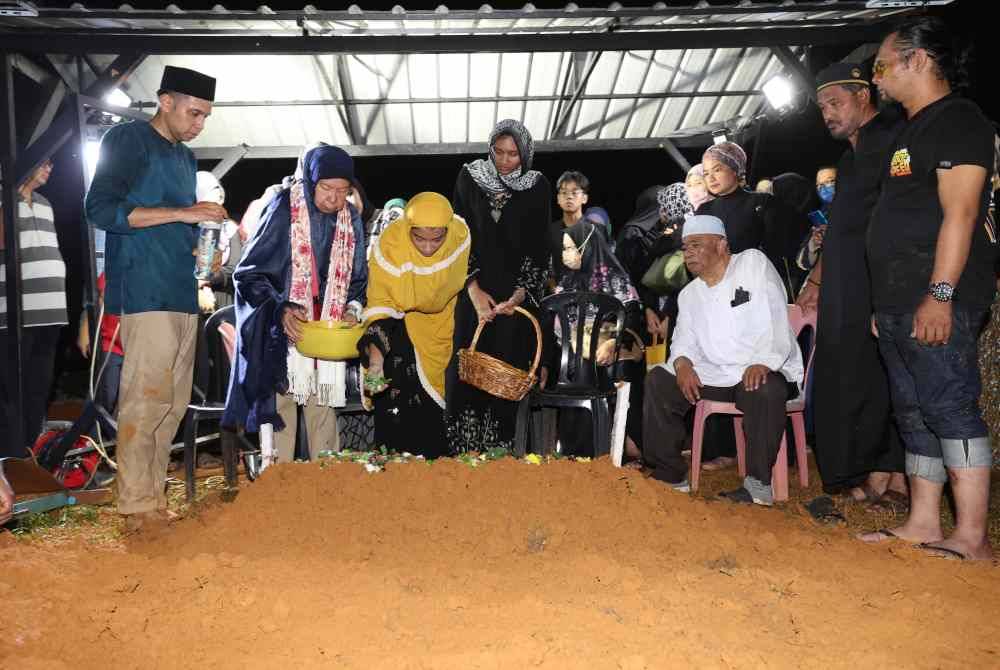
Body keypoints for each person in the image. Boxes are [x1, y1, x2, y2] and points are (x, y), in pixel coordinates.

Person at [860, 17, 997, 561]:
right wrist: (884, 304)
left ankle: (971, 535)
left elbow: (961, 213)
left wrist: (940, 293)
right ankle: (922, 522)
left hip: (938, 296)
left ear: (918, 60)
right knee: (913, 411)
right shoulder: (909, 129)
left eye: (881, 65)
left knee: (949, 407)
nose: (876, 78)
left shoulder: (959, 120)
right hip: (898, 299)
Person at [84, 65, 222, 532]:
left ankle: (153, 499)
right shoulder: (125, 141)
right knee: (146, 398)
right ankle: (134, 505)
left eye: (205, 116)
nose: (199, 123)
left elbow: (174, 224)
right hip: (143, 289)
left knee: (174, 402)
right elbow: (99, 208)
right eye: (194, 112)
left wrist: (202, 255)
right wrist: (185, 212)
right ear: (165, 101)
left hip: (181, 289)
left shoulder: (185, 158)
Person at [796, 62, 907, 504]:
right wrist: (817, 281)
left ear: (864, 97)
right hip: (843, 284)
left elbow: (897, 218)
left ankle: (889, 471)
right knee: (845, 372)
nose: (827, 114)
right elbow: (842, 226)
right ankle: (857, 470)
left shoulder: (893, 142)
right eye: (822, 107)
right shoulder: (848, 156)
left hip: (879, 280)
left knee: (881, 374)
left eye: (835, 103)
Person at [642, 215, 804, 504]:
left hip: (764, 368)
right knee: (659, 380)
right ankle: (669, 473)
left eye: (695, 244)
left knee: (763, 388)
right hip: (715, 374)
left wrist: (764, 361)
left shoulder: (752, 264)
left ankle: (757, 486)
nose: (687, 252)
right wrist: (682, 364)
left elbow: (776, 315)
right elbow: (683, 341)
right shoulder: (690, 294)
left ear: (721, 245)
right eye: (684, 247)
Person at [224, 144, 368, 463]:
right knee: (282, 408)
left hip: (327, 335)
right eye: (326, 188)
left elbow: (358, 279)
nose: (334, 198)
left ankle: (324, 487)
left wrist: (352, 309)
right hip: (283, 333)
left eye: (343, 190)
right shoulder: (283, 208)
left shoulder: (351, 218)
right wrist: (280, 308)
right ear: (309, 181)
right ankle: (279, 487)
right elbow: (248, 274)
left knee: (324, 408)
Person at [447, 119, 551, 453]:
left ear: (526, 155)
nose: (505, 160)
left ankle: (501, 459)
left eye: (513, 154)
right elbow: (458, 237)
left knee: (505, 374)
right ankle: (464, 456)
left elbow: (539, 245)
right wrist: (473, 289)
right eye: (499, 152)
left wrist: (521, 293)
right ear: (490, 148)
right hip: (474, 292)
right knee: (468, 370)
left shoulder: (538, 186)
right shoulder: (469, 177)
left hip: (514, 298)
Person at [359, 192, 470, 457]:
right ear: (408, 229)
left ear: (447, 231)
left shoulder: (460, 236)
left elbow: (467, 276)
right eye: (419, 238)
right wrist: (375, 365)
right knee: (399, 411)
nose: (429, 247)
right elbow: (380, 308)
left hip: (446, 326)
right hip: (400, 329)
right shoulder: (389, 246)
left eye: (436, 238)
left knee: (442, 424)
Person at [550, 218, 642, 459]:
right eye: (564, 248)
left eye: (571, 248)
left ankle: (620, 448)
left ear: (587, 245)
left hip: (610, 351)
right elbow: (557, 327)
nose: (566, 254)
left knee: (615, 367)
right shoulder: (566, 281)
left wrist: (614, 342)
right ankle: (576, 451)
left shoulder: (614, 277)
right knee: (571, 366)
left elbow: (632, 315)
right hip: (576, 354)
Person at [0, 159, 66, 458]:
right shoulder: (4, 199)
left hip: (52, 310)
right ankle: (11, 454)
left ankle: (30, 451)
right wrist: (14, 193)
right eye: (43, 161)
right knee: (13, 386)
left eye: (52, 163)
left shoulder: (45, 203)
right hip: (16, 312)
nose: (50, 167)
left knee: (40, 384)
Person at [696, 141, 810, 298]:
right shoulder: (704, 210)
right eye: (706, 173)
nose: (711, 178)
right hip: (716, 292)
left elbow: (777, 250)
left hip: (758, 289)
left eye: (717, 169)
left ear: (735, 170)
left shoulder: (762, 203)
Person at [195, 171, 241, 312]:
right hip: (187, 299)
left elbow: (235, 269)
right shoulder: (186, 228)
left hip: (221, 299)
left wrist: (207, 279)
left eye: (218, 190)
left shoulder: (230, 230)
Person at [795, 166, 838, 272]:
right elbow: (802, 263)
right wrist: (813, 245)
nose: (824, 188)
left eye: (830, 181)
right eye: (819, 185)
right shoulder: (822, 214)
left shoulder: (858, 209)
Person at [550, 170, 590, 282]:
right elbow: (543, 266)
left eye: (574, 192)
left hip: (591, 295)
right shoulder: (550, 231)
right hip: (558, 295)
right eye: (564, 193)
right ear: (558, 199)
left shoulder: (595, 230)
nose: (569, 197)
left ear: (584, 198)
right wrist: (554, 288)